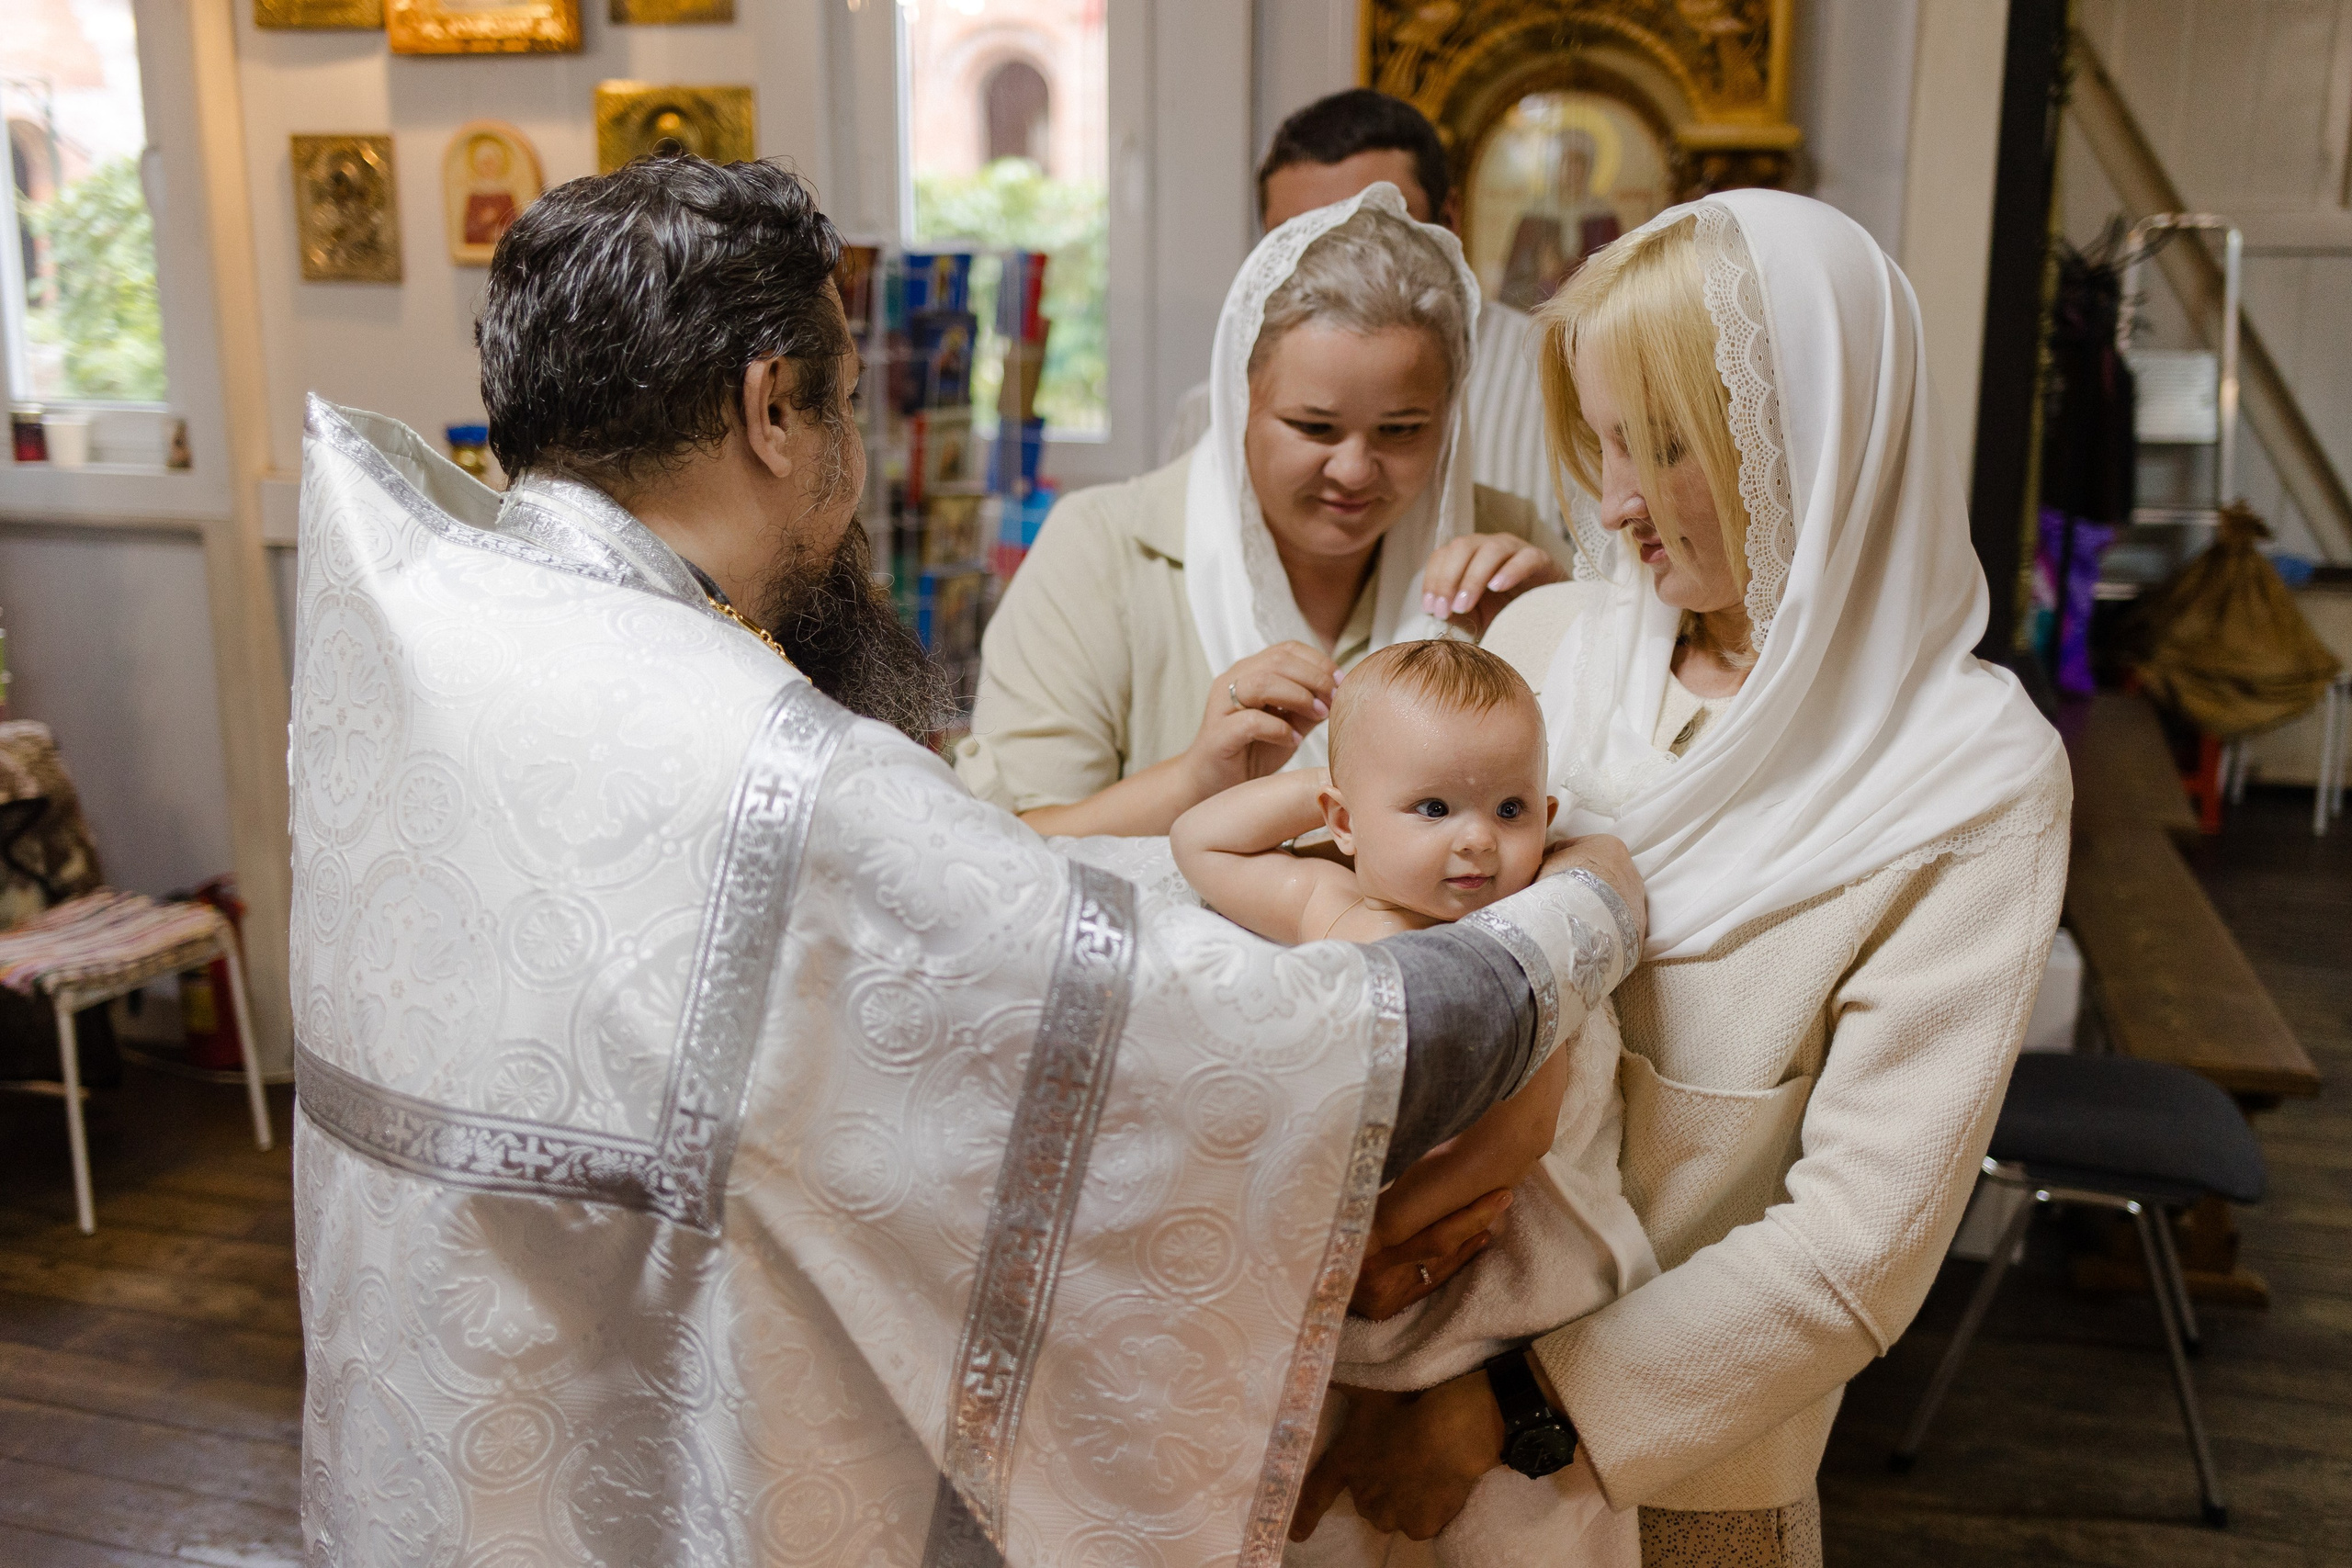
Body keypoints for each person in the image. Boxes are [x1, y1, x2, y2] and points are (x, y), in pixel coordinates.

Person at [286, 154, 1652, 1568]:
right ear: (772, 407)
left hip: (443, 1436)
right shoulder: (769, 764)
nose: (856, 458)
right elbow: (1232, 1044)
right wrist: (1584, 908)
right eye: (848, 406)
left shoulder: (446, 628)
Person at [1291, 190, 2072, 1567]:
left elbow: (1856, 1244)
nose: (1612, 502)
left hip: (1669, 1479)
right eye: (1600, 439)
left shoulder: (1970, 777)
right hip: (1371, 1402)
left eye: (1667, 446)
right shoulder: (1546, 637)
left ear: (1812, 441)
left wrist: (1513, 1407)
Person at [1174, 637, 1653, 1566]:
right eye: (1432, 807)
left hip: (1467, 1282)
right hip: (1341, 1307)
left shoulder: (1521, 948)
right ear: (1341, 822)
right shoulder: (1330, 902)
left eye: (1509, 808)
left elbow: (1511, 1142)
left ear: (1547, 816)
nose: (1476, 838)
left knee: (1528, 1536)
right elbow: (1199, 841)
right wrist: (1339, 786)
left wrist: (1368, 1234)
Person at [957, 183, 1569, 836]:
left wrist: (1555, 632)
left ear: (1450, 419)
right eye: (1314, 427)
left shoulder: (1506, 546)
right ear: (1237, 400)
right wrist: (1196, 780)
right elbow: (1010, 848)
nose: (1355, 470)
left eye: (1403, 430)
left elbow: (1586, 803)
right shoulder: (1100, 550)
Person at [1164, 88, 1562, 547]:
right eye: (1299, 241)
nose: (1342, 266)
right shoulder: (1207, 411)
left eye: (1373, 228)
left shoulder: (1567, 382)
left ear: (1449, 219)